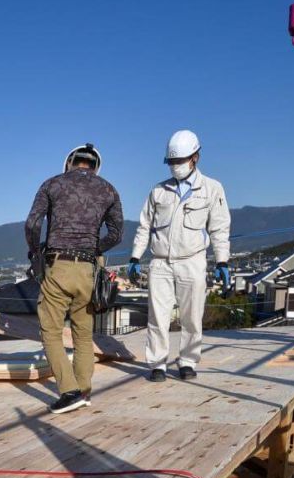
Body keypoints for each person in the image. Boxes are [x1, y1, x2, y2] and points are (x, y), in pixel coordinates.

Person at [26, 143, 124, 413]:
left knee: (51, 331)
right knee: (83, 334)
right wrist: (94, 248)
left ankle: (69, 392)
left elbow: (33, 224)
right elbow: (117, 234)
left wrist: (36, 253)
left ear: (69, 161)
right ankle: (83, 390)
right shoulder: (109, 189)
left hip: (58, 266)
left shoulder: (52, 184)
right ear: (95, 166)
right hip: (88, 271)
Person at [128, 130, 231, 382]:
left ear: (195, 157)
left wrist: (222, 260)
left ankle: (187, 361)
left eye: (179, 161)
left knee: (192, 316)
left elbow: (219, 227)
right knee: (157, 316)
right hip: (160, 261)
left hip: (192, 260)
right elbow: (145, 226)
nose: (175, 167)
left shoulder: (211, 189)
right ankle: (157, 364)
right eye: (171, 162)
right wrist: (134, 257)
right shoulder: (158, 191)